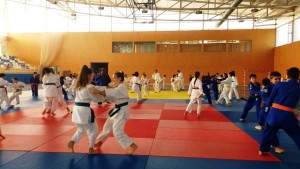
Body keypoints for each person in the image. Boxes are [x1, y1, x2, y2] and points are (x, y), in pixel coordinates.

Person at [92, 71, 138, 155]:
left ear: (119, 78)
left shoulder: (121, 88)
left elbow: (112, 93)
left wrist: (99, 92)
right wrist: (101, 94)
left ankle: (132, 146)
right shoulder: (118, 88)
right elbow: (111, 96)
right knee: (107, 126)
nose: (113, 79)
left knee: (117, 131)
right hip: (117, 110)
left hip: (122, 111)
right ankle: (100, 143)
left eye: (114, 77)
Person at [259, 67, 300, 155]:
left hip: (274, 114)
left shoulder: (279, 85)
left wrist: (268, 108)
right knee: (297, 135)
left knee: (268, 132)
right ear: (298, 76)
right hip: (288, 116)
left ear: (286, 76)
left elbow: (270, 99)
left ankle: (263, 150)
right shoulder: (298, 87)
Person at [68, 65, 104, 154]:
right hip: (84, 110)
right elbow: (96, 99)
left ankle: (72, 142)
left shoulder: (78, 85)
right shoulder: (89, 86)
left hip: (76, 108)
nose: (93, 77)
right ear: (88, 75)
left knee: (82, 129)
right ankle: (90, 148)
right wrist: (103, 96)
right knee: (93, 129)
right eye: (92, 75)